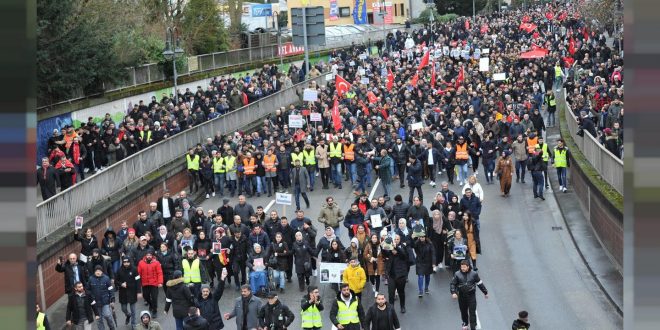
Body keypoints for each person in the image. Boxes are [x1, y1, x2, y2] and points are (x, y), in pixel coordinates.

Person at [450, 260, 489, 330]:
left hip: (471, 296)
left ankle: (473, 326)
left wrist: (485, 292)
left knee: (472, 312)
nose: (462, 268)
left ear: (468, 267)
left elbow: (480, 283)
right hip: (461, 297)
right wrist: (453, 292)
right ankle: (465, 323)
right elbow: (453, 284)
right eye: (461, 267)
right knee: (463, 311)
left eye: (464, 267)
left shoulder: (474, 274)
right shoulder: (457, 274)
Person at [381, 234, 409, 313]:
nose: (396, 240)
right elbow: (384, 254)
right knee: (391, 293)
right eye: (395, 239)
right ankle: (391, 308)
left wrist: (396, 247)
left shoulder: (402, 247)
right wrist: (382, 246)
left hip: (401, 275)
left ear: (399, 240)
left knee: (401, 292)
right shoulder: (390, 248)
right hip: (391, 276)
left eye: (397, 239)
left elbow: (403, 254)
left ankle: (402, 306)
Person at [87, 265, 116, 330]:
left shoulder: (106, 278)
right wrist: (91, 297)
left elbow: (111, 289)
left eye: (99, 271)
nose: (98, 272)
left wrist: (112, 299)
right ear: (94, 271)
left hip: (105, 301)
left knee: (107, 315)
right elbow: (88, 290)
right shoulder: (91, 279)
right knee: (99, 320)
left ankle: (111, 327)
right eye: (96, 271)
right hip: (95, 303)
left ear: (102, 271)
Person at [137, 251, 163, 318]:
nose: (149, 256)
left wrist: (160, 282)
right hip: (145, 283)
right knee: (146, 297)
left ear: (152, 256)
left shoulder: (156, 263)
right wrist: (137, 282)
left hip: (154, 283)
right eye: (147, 255)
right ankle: (151, 305)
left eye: (150, 255)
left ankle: (154, 311)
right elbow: (138, 273)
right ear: (145, 256)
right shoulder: (141, 263)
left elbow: (159, 273)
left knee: (154, 298)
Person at [116, 257, 139, 326]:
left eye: (127, 262)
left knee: (133, 310)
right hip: (123, 293)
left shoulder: (134, 269)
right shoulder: (119, 270)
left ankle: (133, 324)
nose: (126, 263)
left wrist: (139, 292)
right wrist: (121, 284)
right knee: (123, 309)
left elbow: (138, 281)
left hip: (132, 292)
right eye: (124, 262)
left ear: (130, 262)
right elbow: (116, 281)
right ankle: (128, 315)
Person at [413, 230, 435, 297]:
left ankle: (426, 287)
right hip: (420, 262)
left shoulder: (430, 244)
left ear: (425, 237)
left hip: (428, 262)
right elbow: (413, 246)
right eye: (420, 237)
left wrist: (433, 263)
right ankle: (420, 291)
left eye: (423, 237)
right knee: (420, 276)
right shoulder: (417, 243)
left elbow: (433, 253)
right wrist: (414, 238)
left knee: (427, 276)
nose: (422, 238)